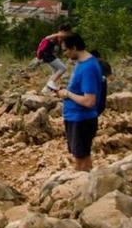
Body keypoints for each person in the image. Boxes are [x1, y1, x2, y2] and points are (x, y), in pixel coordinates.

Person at [56, 33, 104, 171]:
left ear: (75, 47)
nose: (64, 53)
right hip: (77, 118)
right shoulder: (82, 64)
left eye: (65, 50)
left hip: (81, 120)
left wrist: (68, 94)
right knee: (84, 156)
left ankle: (80, 188)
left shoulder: (88, 67)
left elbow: (89, 101)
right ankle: (89, 185)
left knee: (80, 161)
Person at [37, 29, 69, 93]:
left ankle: (46, 89)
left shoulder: (57, 41)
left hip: (48, 56)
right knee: (63, 68)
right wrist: (59, 34)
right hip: (47, 56)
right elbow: (46, 38)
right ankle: (49, 85)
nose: (61, 39)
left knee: (55, 72)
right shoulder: (53, 37)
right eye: (61, 37)